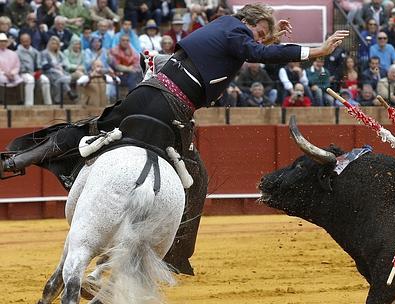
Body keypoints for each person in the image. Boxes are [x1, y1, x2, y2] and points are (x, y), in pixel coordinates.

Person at [0, 4, 350, 275]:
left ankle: (19, 160)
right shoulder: (235, 30)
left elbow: (251, 48)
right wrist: (315, 51)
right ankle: (173, 257)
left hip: (145, 93)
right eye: (259, 31)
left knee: (91, 129)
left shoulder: (225, 27)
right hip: (172, 109)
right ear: (250, 21)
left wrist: (270, 38)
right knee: (196, 179)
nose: (259, 39)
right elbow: (253, 51)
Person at [17, 32, 52, 105]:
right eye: (23, 41)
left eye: (27, 41)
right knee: (30, 80)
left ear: (30, 41)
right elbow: (19, 65)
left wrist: (39, 71)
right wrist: (29, 72)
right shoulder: (17, 52)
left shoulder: (35, 51)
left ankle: (48, 103)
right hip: (23, 73)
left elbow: (39, 63)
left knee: (45, 80)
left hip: (35, 72)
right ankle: (29, 104)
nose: (25, 43)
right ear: (21, 42)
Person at [41, 36, 75, 103]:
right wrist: (54, 67)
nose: (54, 45)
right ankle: (69, 92)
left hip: (60, 73)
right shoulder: (44, 53)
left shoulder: (59, 54)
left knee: (60, 81)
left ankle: (57, 100)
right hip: (49, 72)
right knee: (62, 78)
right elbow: (44, 65)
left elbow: (65, 64)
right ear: (49, 44)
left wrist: (61, 66)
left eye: (56, 44)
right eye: (52, 43)